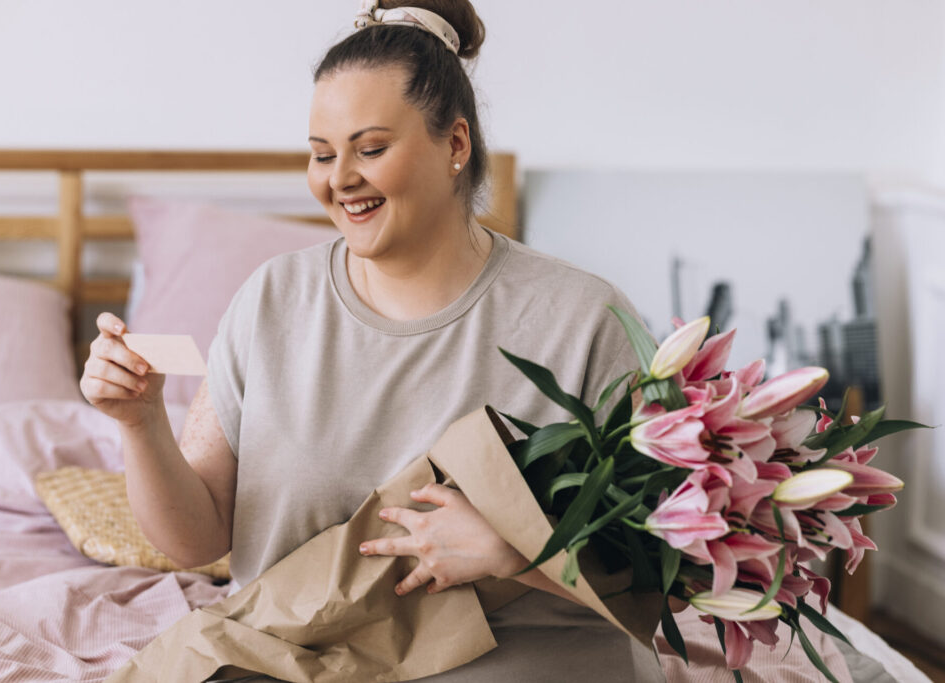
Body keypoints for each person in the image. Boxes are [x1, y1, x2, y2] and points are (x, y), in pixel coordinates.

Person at [80, 1, 663, 680]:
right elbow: (195, 537)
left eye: (371, 148)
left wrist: (515, 551)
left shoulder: (584, 319)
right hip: (298, 662)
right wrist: (140, 421)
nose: (339, 177)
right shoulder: (271, 303)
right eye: (322, 154)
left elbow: (667, 572)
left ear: (455, 144)